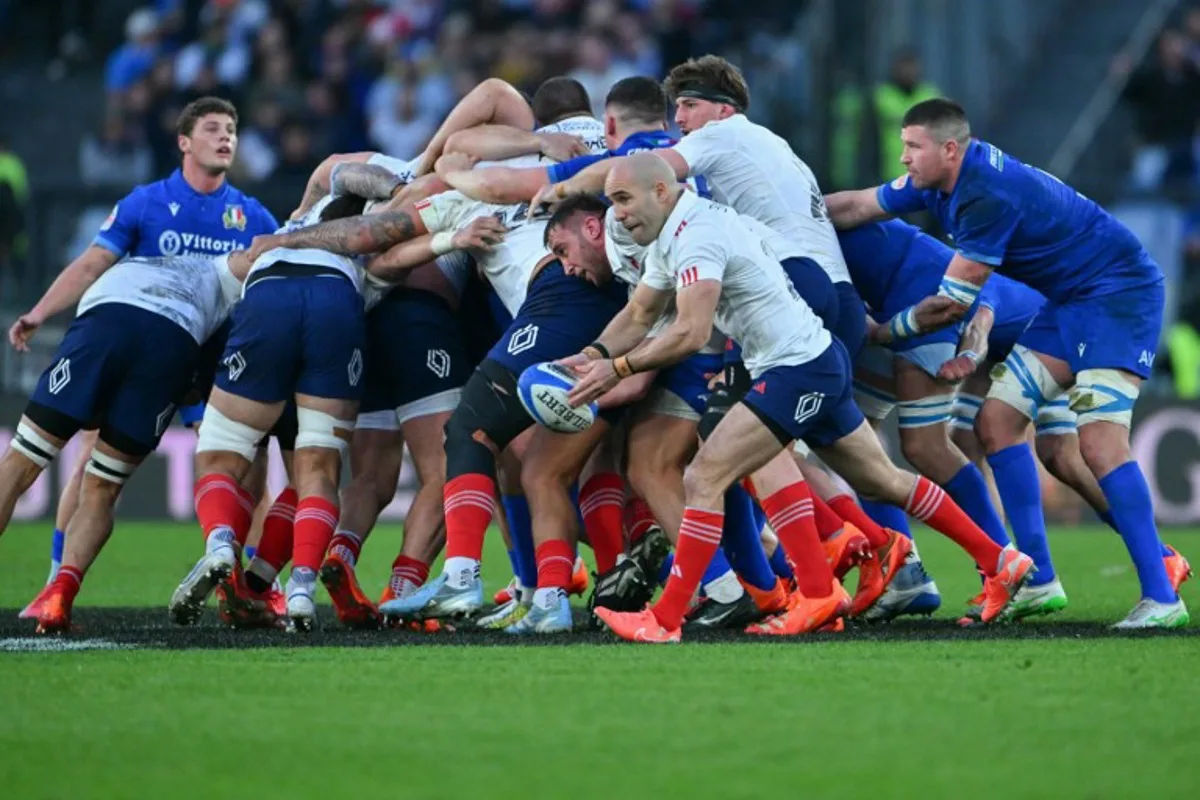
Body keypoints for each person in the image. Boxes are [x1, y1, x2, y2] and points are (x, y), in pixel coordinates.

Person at [566, 154, 1035, 642]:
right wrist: (591, 355)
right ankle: (1001, 561)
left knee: (704, 476)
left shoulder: (696, 234)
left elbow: (690, 331)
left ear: (660, 191)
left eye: (622, 199)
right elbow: (641, 313)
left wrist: (616, 369)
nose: (616, 214)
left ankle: (668, 619)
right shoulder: (676, 230)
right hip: (811, 357)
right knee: (881, 479)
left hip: (796, 367)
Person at [825, 97, 1189, 628]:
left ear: (950, 150)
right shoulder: (940, 179)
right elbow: (858, 205)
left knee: (1096, 445)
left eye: (912, 147)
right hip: (1065, 301)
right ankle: (1037, 580)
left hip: (1117, 294)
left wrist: (882, 332)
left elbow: (951, 303)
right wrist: (798, 212)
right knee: (995, 423)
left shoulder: (984, 195)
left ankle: (1162, 594)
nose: (903, 158)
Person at [11, 96, 277, 604]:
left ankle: (257, 584)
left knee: (242, 464)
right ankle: (54, 581)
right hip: (146, 346)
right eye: (214, 129)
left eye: (232, 131)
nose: (226, 138)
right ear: (184, 142)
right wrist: (41, 312)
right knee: (90, 455)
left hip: (209, 359)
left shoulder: (254, 216)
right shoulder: (146, 202)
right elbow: (91, 265)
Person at [3, 252, 245, 632]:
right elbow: (197, 387)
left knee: (20, 463)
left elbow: (87, 266)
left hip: (108, 320)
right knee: (103, 486)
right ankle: (58, 597)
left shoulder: (136, 251)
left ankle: (55, 593)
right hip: (173, 340)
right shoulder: (227, 294)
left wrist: (39, 313)